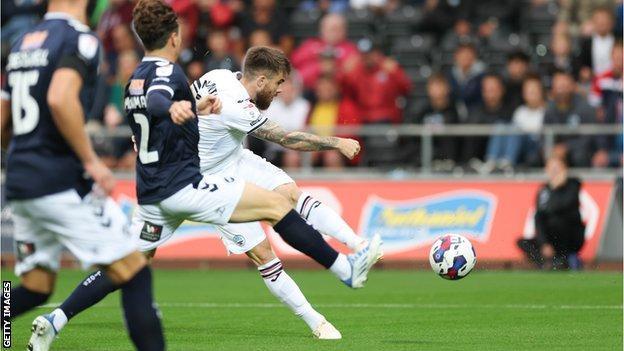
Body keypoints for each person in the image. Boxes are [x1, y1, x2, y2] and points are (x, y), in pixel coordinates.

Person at [28, 2, 382, 348]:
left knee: (129, 263)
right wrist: (335, 141)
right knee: (273, 224)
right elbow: (283, 137)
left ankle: (55, 319)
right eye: (276, 83)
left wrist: (184, 111)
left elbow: (154, 112)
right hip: (195, 180)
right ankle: (339, 278)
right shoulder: (186, 82)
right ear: (173, 37)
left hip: (173, 180)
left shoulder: (149, 76)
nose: (279, 90)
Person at [0, 0, 165, 350]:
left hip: (22, 179)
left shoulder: (22, 41)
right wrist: (91, 160)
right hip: (58, 180)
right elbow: (61, 98)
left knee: (36, 286)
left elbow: (3, 118)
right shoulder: (80, 39)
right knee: (134, 271)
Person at [517, 155, 585, 270]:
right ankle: (548, 263)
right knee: (522, 242)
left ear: (565, 168)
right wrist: (544, 243)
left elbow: (561, 206)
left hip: (570, 236)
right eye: (551, 168)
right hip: (550, 237)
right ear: (546, 170)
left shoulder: (573, 185)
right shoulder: (543, 190)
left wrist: (555, 189)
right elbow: (539, 217)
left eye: (557, 168)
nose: (555, 172)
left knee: (557, 220)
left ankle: (563, 259)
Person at [543, 70, 598, 167]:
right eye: (558, 86)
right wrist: (548, 148)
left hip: (578, 150)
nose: (561, 90)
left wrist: (567, 147)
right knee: (535, 157)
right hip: (555, 150)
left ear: (572, 86)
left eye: (564, 86)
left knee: (579, 156)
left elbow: (588, 138)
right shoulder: (550, 109)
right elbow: (544, 133)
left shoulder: (584, 107)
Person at [291, 13, 358, 91]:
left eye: (339, 28)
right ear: (322, 29)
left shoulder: (350, 49)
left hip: (339, 92)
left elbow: (351, 73)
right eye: (332, 28)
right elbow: (295, 61)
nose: (335, 32)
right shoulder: (310, 45)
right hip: (307, 90)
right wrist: (319, 67)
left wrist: (333, 69)